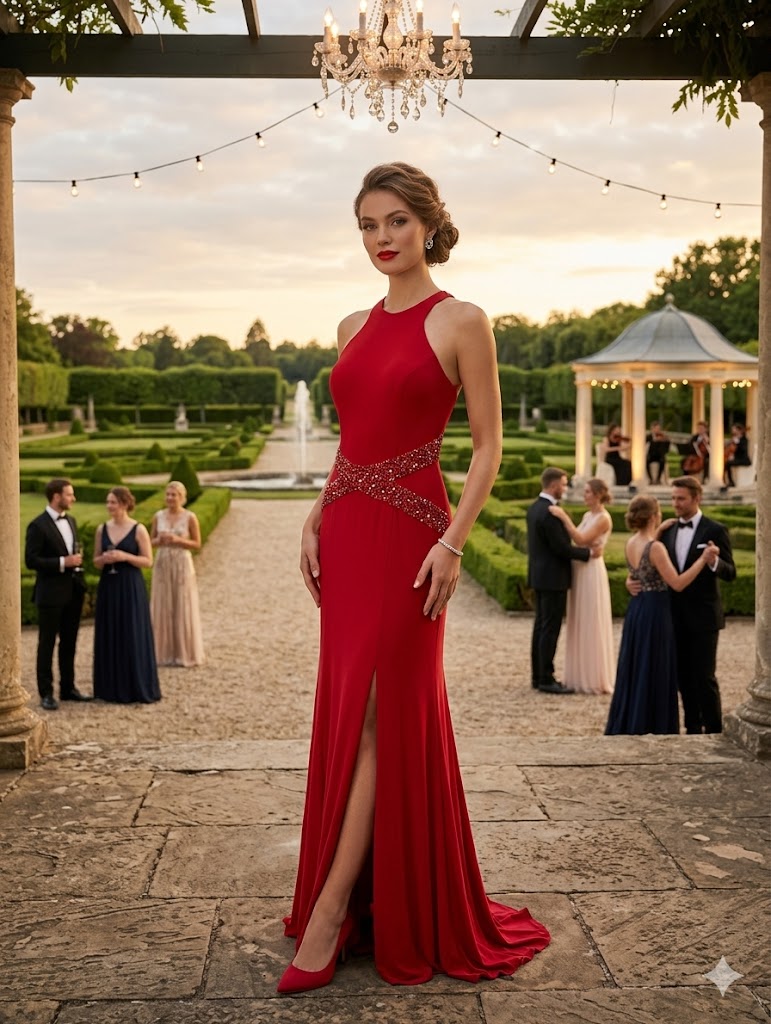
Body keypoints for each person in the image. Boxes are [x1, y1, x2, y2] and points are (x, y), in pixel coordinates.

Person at [279, 163, 550, 994]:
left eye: (395, 221)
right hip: (352, 530)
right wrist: (319, 509)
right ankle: (357, 897)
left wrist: (455, 543)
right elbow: (350, 435)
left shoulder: (463, 319)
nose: (381, 238)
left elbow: (488, 447)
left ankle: (329, 917)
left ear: (429, 225)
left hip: (414, 539)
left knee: (376, 714)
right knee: (347, 703)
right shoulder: (351, 323)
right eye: (366, 224)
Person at [606, 495, 718, 735]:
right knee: (654, 665)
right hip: (656, 611)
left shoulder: (631, 542)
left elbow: (641, 570)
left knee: (638, 666)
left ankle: (632, 719)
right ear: (655, 516)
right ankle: (654, 724)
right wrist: (702, 560)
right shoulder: (656, 547)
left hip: (637, 610)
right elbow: (677, 583)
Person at [658, 476, 736, 733]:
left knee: (705, 678)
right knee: (683, 679)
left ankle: (714, 731)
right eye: (673, 498)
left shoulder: (715, 530)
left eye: (681, 499)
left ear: (696, 498)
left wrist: (713, 561)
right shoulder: (667, 529)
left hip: (704, 618)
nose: (675, 503)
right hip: (674, 617)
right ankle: (692, 729)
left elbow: (730, 572)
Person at [527, 466, 595, 696]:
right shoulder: (549, 511)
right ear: (554, 485)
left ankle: (538, 676)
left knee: (541, 627)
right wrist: (588, 554)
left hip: (539, 576)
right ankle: (546, 678)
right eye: (564, 485)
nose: (565, 489)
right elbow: (561, 548)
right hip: (553, 578)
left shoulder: (535, 507)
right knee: (549, 629)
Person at [24, 478, 91, 710]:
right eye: (69, 494)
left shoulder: (71, 520)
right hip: (50, 594)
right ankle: (46, 693)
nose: (73, 498)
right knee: (47, 644)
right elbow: (31, 560)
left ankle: (68, 688)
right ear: (56, 496)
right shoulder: (37, 525)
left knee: (69, 642)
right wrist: (64, 562)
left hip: (73, 591)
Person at [92, 487, 161, 704]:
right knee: (110, 631)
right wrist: (103, 559)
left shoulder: (138, 529)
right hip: (109, 586)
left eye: (112, 502)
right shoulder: (102, 530)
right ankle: (109, 688)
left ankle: (135, 686)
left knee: (132, 631)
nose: (109, 506)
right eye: (108, 502)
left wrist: (124, 556)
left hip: (131, 586)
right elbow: (95, 561)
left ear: (123, 504)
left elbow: (148, 561)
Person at [548, 478, 614, 694]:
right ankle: (578, 675)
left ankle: (593, 678)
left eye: (586, 492)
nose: (584, 495)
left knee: (591, 620)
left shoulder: (603, 518)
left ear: (596, 494)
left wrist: (563, 517)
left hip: (592, 571)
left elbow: (582, 538)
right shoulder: (588, 515)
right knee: (579, 620)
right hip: (580, 570)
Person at [150, 481, 204, 667]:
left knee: (182, 603)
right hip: (163, 561)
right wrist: (159, 539)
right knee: (162, 603)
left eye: (174, 495)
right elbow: (150, 542)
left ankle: (184, 652)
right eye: (168, 494)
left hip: (182, 562)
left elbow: (197, 544)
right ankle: (162, 652)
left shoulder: (190, 517)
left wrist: (178, 540)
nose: (170, 498)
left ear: (182, 497)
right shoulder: (158, 516)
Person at [723, 423, 751, 488]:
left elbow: (743, 450)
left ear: (739, 430)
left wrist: (738, 443)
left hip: (744, 460)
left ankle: (731, 482)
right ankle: (729, 481)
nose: (733, 431)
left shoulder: (744, 440)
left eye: (734, 429)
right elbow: (732, 449)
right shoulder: (735, 439)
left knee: (728, 463)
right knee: (727, 463)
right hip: (738, 458)